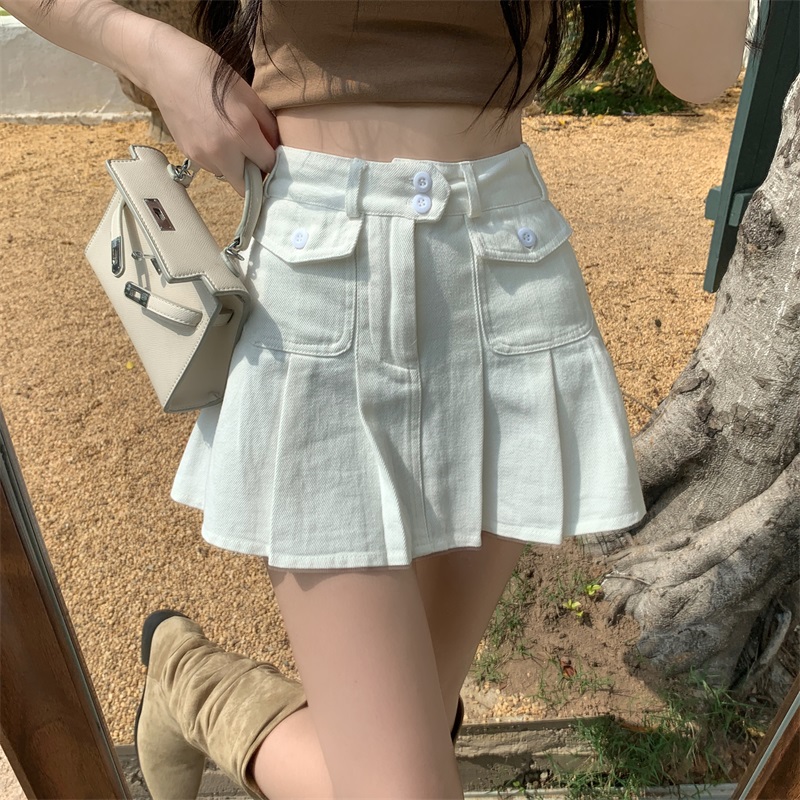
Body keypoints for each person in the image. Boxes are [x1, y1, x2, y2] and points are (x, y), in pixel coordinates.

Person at [6, 1, 763, 798]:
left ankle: (194, 685)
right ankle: (197, 686)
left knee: (409, 739)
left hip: (509, 272)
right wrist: (156, 54)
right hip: (326, 279)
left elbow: (700, 71)